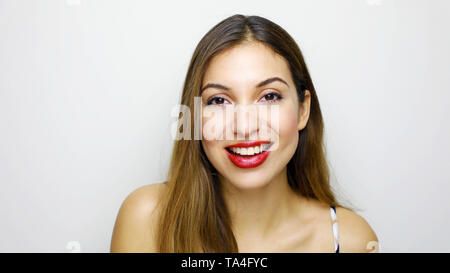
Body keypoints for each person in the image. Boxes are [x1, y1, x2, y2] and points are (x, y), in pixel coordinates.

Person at [110, 14, 379, 253]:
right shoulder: (147, 219)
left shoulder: (350, 240)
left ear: (303, 110)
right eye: (218, 101)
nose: (245, 127)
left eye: (269, 96)